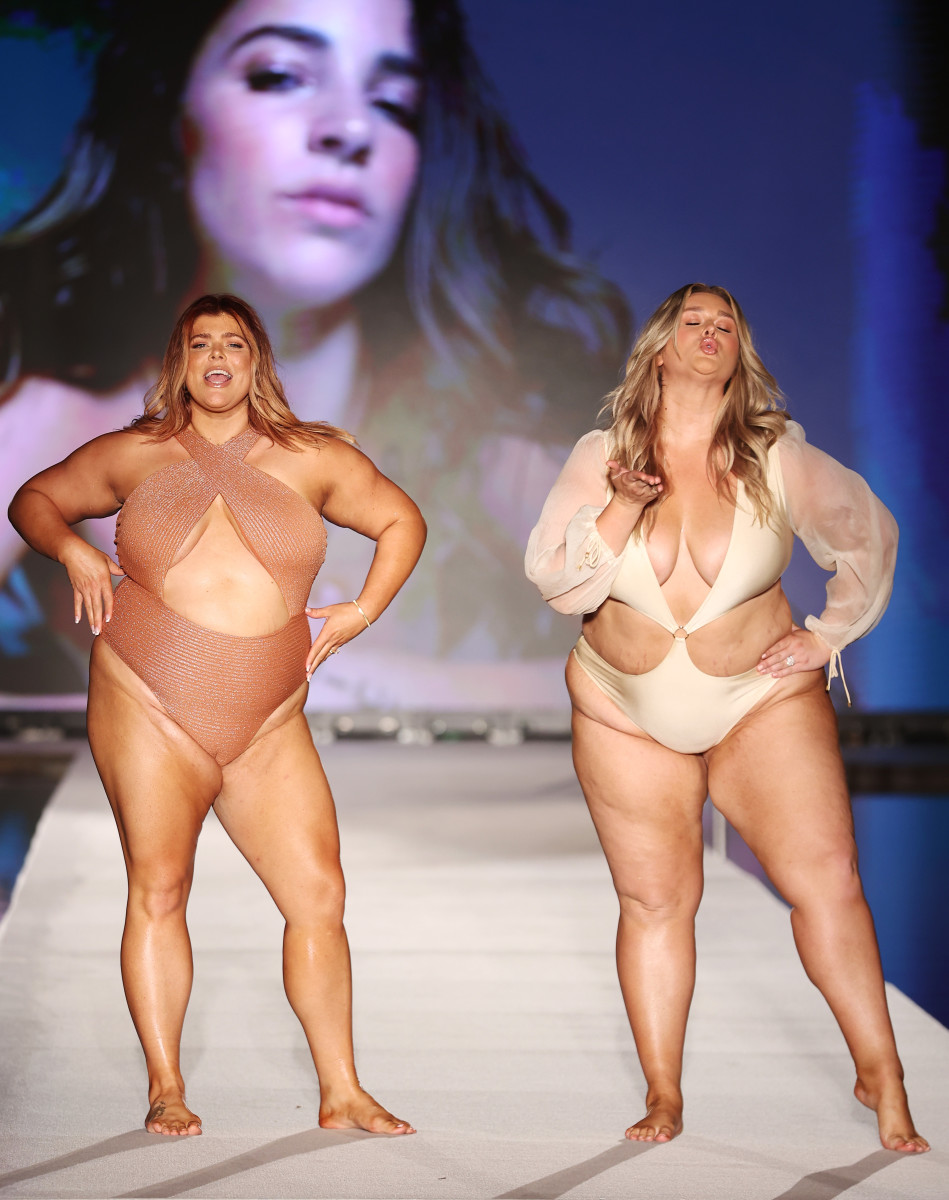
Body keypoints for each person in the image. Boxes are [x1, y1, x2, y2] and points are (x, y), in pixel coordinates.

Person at [0, 0, 629, 706]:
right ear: (171, 117)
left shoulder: (476, 440)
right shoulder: (65, 423)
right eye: (278, 76)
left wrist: (356, 682)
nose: (350, 129)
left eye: (393, 104)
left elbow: (688, 660)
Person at [8, 293, 426, 1136]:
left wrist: (361, 611)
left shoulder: (311, 456)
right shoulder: (135, 452)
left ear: (257, 360)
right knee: (160, 888)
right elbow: (32, 500)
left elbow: (400, 520)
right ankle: (166, 1085)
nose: (217, 358)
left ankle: (341, 1089)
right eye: (201, 344)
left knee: (318, 894)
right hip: (147, 697)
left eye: (234, 343)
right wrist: (75, 547)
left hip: (268, 716)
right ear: (181, 361)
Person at [525, 283, 929, 1153]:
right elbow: (560, 584)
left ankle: (883, 1074)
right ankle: (662, 1093)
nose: (709, 333)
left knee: (825, 883)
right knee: (654, 901)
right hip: (620, 707)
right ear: (660, 345)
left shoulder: (774, 454)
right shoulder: (603, 453)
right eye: (693, 322)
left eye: (726, 325)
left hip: (757, 701)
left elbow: (867, 532)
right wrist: (624, 504)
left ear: (735, 351)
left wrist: (827, 636)